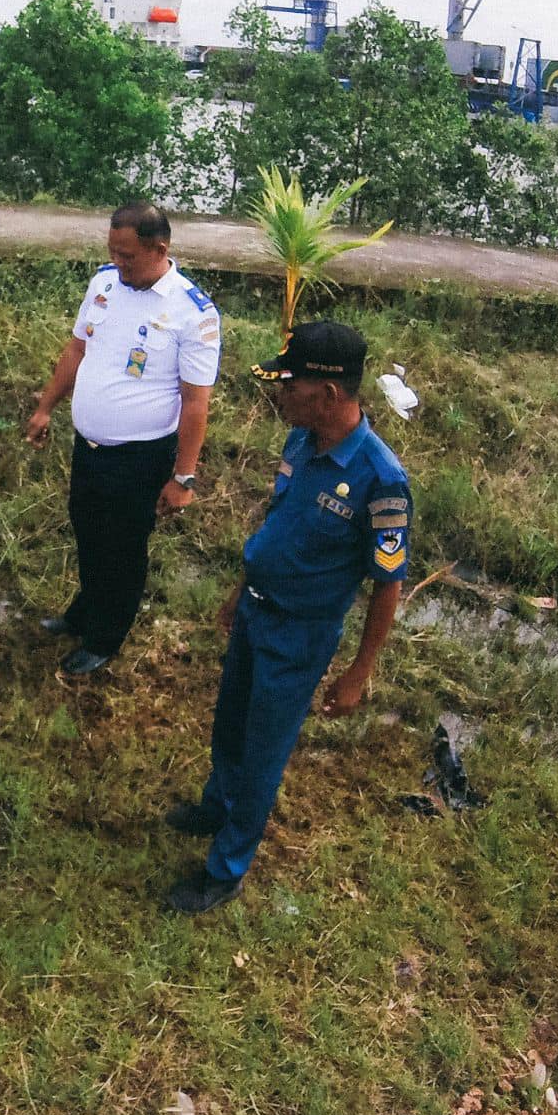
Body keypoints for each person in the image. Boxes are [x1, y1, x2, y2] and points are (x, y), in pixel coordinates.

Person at [164, 322, 411, 915]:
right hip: (256, 610)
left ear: (327, 394)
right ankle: (217, 807)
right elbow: (279, 525)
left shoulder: (382, 480)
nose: (279, 395)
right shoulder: (302, 441)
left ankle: (226, 868)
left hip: (299, 635)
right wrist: (240, 590)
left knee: (262, 752)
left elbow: (387, 584)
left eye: (289, 386)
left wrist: (358, 672)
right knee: (230, 724)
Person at [25, 202, 221, 677]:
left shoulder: (192, 312)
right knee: (87, 530)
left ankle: (104, 639)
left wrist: (184, 477)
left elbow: (196, 403)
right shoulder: (105, 283)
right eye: (112, 251)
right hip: (89, 445)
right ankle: (84, 612)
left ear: (160, 249)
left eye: (127, 256)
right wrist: (46, 407)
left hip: (140, 456)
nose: (118, 262)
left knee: (123, 548)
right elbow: (77, 348)